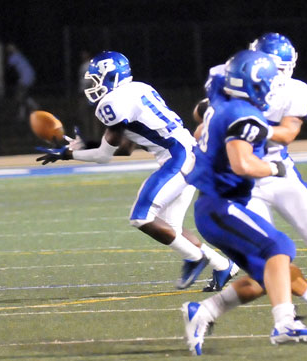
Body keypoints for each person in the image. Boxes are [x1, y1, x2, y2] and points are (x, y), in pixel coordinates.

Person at [193, 33, 307, 343]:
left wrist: (246, 124)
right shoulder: (225, 76)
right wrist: (216, 120)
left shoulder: (295, 92)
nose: (273, 77)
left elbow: (288, 132)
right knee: (269, 256)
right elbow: (203, 114)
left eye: (279, 69)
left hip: (278, 174)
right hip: (242, 182)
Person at [35, 50, 238, 291]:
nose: (92, 85)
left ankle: (195, 258)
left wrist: (69, 154)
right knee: (170, 228)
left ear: (112, 76)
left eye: (96, 79)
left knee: (141, 217)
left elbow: (104, 155)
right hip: (187, 153)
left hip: (178, 158)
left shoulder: (111, 104)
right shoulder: (139, 88)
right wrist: (81, 146)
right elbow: (126, 146)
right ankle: (222, 265)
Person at [181, 49, 307, 356]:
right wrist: (275, 168)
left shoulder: (221, 101)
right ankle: (285, 325)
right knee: (279, 246)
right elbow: (243, 164)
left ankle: (203, 312)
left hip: (219, 204)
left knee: (266, 276)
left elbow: (201, 122)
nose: (272, 89)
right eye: (268, 83)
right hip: (221, 205)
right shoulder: (242, 114)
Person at [6, 43, 38, 121]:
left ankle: (30, 109)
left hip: (25, 78)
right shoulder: (19, 55)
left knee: (20, 96)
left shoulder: (13, 57)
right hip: (30, 76)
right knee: (23, 95)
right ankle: (32, 108)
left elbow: (8, 66)